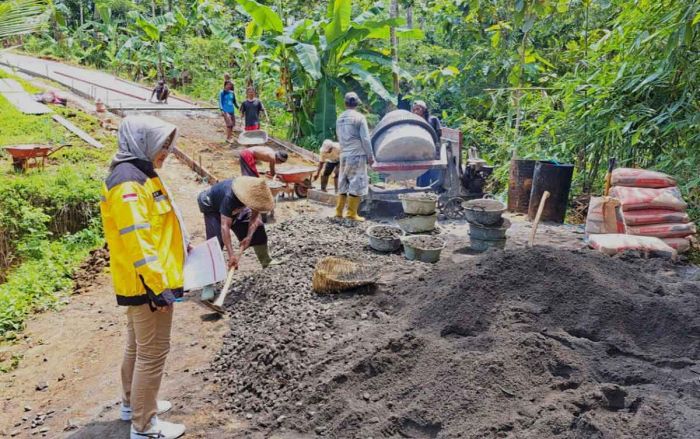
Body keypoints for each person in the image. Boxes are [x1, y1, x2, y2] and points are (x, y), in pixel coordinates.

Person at [99, 116, 187, 439]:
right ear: (142, 141)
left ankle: (132, 405)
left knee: (137, 347)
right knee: (153, 353)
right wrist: (158, 287)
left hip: (145, 281)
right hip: (147, 284)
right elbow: (138, 239)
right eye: (162, 144)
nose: (166, 151)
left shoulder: (141, 173)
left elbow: (158, 225)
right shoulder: (128, 181)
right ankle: (145, 425)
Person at [196, 177, 278, 301]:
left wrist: (249, 237)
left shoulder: (254, 196)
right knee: (215, 242)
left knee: (259, 228)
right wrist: (231, 255)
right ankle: (208, 284)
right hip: (212, 206)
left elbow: (254, 218)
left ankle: (266, 260)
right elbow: (225, 226)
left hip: (235, 209)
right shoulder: (230, 196)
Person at [335, 92, 374, 221]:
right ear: (357, 103)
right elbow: (365, 139)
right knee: (356, 182)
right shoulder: (360, 117)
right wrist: (370, 155)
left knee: (343, 182)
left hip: (344, 154)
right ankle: (351, 214)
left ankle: (339, 212)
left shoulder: (340, 118)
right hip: (357, 154)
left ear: (345, 103)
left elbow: (339, 136)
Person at [412, 100, 443, 188]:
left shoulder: (433, 119)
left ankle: (436, 192)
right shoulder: (413, 121)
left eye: (418, 109)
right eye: (414, 110)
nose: (416, 111)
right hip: (420, 152)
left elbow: (439, 133)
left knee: (435, 174)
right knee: (422, 174)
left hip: (433, 151)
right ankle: (421, 192)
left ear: (424, 109)